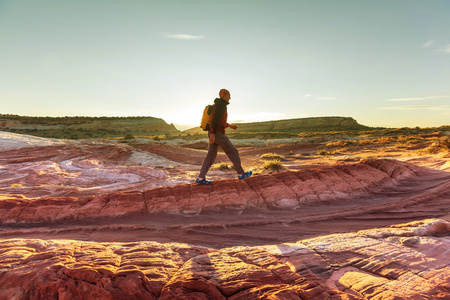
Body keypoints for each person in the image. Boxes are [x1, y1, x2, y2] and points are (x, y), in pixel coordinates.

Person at [196, 89, 252, 184]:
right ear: (224, 95)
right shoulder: (221, 105)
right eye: (229, 95)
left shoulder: (218, 105)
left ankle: (200, 178)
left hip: (213, 132)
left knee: (210, 156)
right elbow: (214, 119)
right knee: (233, 151)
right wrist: (213, 134)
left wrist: (229, 125)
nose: (230, 98)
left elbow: (219, 120)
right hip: (217, 133)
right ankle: (241, 174)